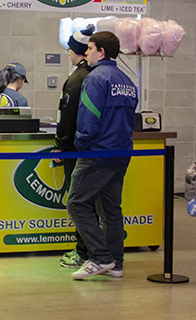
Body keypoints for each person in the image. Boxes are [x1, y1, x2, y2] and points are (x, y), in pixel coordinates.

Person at [66, 31, 138, 280]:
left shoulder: (96, 78)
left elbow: (89, 118)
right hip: (121, 153)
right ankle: (116, 263)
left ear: (101, 52)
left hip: (97, 153)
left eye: (90, 48)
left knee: (76, 203)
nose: (86, 53)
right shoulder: (127, 81)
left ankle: (100, 257)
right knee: (111, 210)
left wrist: (80, 144)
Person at [53, 24, 94, 269]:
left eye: (69, 49)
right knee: (93, 203)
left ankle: (84, 251)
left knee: (79, 202)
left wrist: (60, 145)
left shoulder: (76, 79)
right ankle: (95, 250)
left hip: (76, 151)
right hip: (95, 150)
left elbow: (66, 117)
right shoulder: (96, 75)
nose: (67, 53)